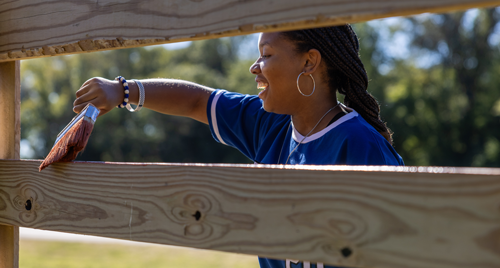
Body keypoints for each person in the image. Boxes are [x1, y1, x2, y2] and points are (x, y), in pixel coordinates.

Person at [73, 24, 403, 268]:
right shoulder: (268, 123)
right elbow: (196, 101)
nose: (254, 67)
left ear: (309, 62)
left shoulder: (360, 145)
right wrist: (124, 91)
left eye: (267, 55)